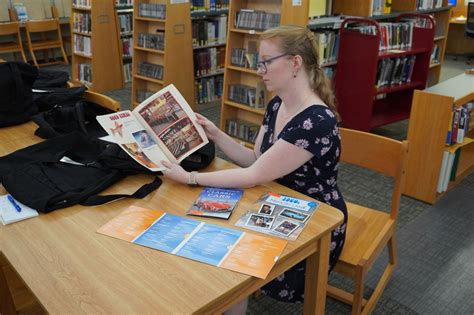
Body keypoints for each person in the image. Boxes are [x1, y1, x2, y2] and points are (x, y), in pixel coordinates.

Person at [161, 25, 347, 312]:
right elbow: (255, 160)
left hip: (314, 218)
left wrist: (189, 177)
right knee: (210, 232)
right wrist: (216, 134)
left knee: (231, 255)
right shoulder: (277, 105)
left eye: (266, 62)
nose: (259, 70)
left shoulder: (316, 121)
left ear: (295, 62)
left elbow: (253, 175)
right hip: (272, 196)